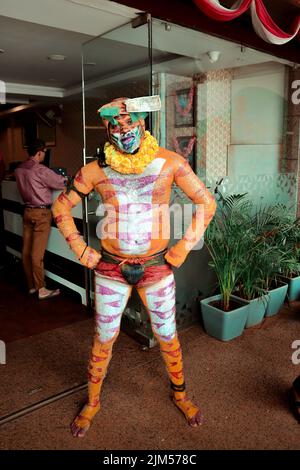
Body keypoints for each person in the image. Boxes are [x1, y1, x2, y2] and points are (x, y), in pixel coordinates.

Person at [52, 96, 217, 437]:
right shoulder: (95, 170)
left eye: (130, 123)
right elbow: (61, 208)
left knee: (168, 335)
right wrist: (82, 251)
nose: (124, 130)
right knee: (104, 338)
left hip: (157, 266)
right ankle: (94, 402)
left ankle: (181, 394)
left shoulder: (170, 162)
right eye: (116, 125)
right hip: (110, 267)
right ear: (107, 129)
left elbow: (206, 202)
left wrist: (183, 248)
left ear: (143, 124)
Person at [15, 139, 66, 300]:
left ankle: (32, 286)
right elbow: (60, 182)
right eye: (44, 152)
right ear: (39, 152)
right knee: (37, 255)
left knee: (26, 251)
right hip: (41, 214)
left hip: (27, 212)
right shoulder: (40, 170)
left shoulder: (20, 169)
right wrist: (67, 179)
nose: (44, 154)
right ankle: (42, 289)